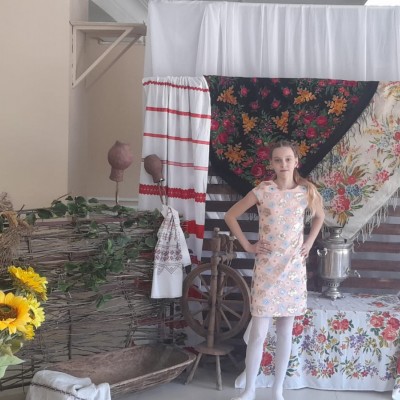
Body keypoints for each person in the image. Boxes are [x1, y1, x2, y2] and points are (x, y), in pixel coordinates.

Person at [224, 140, 325, 400]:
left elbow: (319, 216)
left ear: (296, 162)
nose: (283, 164)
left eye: (288, 159)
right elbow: (230, 216)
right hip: (267, 268)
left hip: (293, 269)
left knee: (285, 332)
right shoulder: (263, 190)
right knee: (258, 332)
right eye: (278, 160)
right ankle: (249, 389)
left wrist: (309, 243)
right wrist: (248, 245)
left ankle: (277, 390)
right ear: (271, 163)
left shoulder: (305, 191)